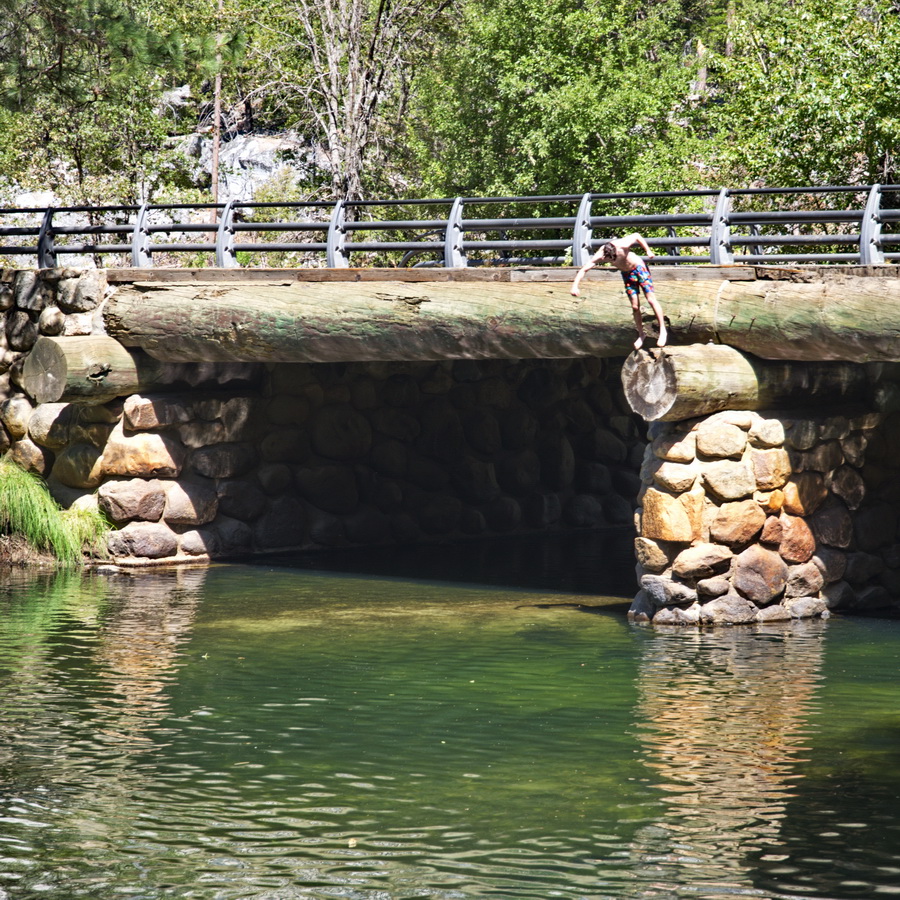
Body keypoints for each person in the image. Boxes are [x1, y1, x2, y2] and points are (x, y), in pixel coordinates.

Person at [570, 232, 667, 350]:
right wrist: (575, 286)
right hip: (627, 274)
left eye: (613, 258)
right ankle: (641, 334)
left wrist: (648, 250)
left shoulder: (621, 244)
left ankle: (663, 330)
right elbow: (584, 269)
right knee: (635, 306)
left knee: (651, 299)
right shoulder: (600, 255)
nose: (611, 261)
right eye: (609, 260)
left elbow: (637, 235)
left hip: (639, 268)